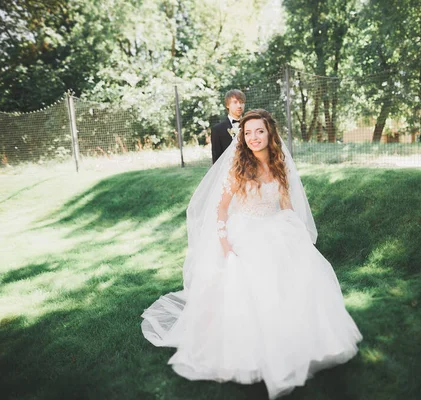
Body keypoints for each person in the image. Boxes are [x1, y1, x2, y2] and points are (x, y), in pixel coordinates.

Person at [141, 109, 362, 399]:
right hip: (243, 231)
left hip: (276, 230)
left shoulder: (280, 165)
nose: (253, 137)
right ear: (242, 138)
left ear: (270, 133)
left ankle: (291, 344)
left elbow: (286, 206)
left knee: (296, 280)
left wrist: (297, 236)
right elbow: (220, 209)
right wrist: (225, 244)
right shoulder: (238, 167)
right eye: (247, 133)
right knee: (247, 285)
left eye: (259, 131)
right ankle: (249, 351)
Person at [210, 89, 246, 163]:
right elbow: (216, 158)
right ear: (227, 105)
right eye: (235, 102)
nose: (239, 106)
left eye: (242, 102)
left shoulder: (249, 125)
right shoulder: (217, 130)